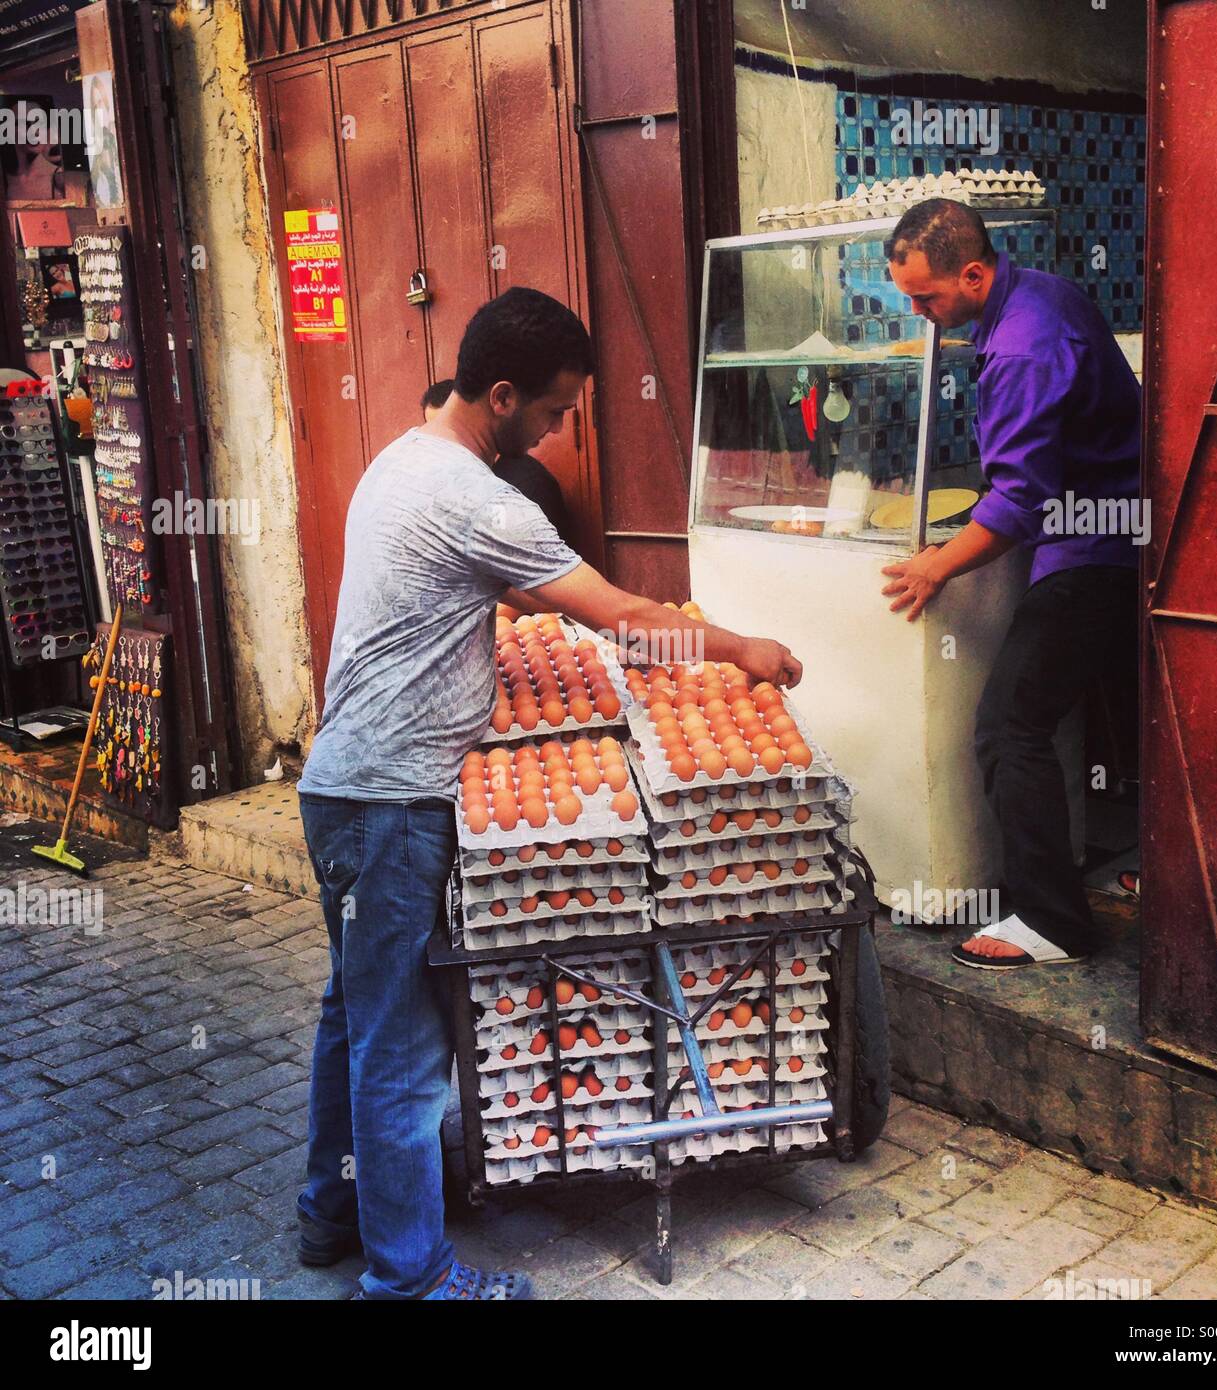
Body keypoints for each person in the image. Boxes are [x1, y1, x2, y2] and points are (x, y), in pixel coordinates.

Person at [295, 285, 801, 1300]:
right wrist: (741, 647)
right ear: (499, 395)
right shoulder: (472, 493)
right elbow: (616, 614)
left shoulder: (404, 459)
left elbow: (518, 585)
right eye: (556, 410)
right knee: (401, 1049)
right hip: (394, 800)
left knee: (355, 1011)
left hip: (339, 787)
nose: (562, 427)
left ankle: (332, 1211)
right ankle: (411, 1280)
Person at [879, 199, 1139, 971]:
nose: (922, 315)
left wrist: (935, 564)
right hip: (1125, 526)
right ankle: (1163, 870)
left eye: (927, 298)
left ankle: (1054, 922)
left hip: (1098, 547)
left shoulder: (1022, 345)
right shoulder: (1042, 294)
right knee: (1127, 710)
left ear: (974, 272)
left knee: (1008, 725)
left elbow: (1020, 500)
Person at [422, 378, 576, 548]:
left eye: (450, 429)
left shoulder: (529, 482)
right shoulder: (452, 479)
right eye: (435, 429)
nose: (442, 440)